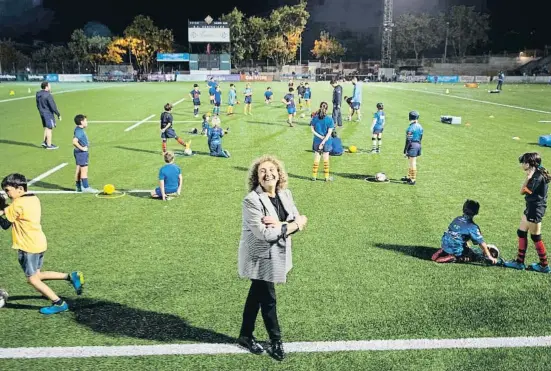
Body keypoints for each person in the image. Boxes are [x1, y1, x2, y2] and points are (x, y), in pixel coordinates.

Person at [237, 155, 308, 361]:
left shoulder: (286, 195)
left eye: (271, 170)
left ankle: (245, 335)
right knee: (268, 299)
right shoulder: (252, 200)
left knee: (255, 297)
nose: (268, 173)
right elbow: (266, 234)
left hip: (275, 255)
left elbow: (292, 221)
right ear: (257, 178)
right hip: (258, 258)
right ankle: (276, 341)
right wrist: (294, 223)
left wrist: (280, 224)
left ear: (279, 174)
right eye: (262, 171)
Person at [0, 173, 84, 315]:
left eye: (8, 190)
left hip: (27, 246)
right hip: (39, 242)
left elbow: (5, 224)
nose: (6, 194)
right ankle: (71, 276)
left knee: (32, 279)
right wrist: (4, 209)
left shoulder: (17, 204)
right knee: (37, 275)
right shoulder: (32, 198)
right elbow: (15, 211)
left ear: (19, 188)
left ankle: (58, 303)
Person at [504, 153, 551, 273]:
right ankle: (519, 262)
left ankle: (544, 265)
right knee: (521, 232)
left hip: (535, 209)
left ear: (529, 164)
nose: (522, 165)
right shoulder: (539, 171)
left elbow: (522, 191)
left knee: (536, 237)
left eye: (523, 162)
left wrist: (528, 178)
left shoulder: (536, 177)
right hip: (531, 207)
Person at [432, 200, 498, 264]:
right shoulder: (473, 227)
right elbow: (481, 243)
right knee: (470, 256)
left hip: (444, 243)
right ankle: (454, 257)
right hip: (454, 247)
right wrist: (490, 257)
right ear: (476, 212)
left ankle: (443, 251)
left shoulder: (457, 218)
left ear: (463, 209)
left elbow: (458, 232)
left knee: (456, 239)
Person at [72, 114, 98, 193]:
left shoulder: (78, 129)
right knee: (84, 170)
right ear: (81, 122)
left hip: (79, 152)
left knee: (79, 169)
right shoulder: (79, 131)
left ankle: (79, 187)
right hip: (81, 153)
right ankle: (86, 187)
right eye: (85, 121)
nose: (87, 122)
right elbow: (74, 141)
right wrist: (82, 148)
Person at [310, 102, 335, 181]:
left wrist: (320, 137)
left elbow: (312, 130)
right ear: (327, 109)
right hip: (327, 142)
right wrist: (323, 141)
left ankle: (314, 176)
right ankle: (326, 177)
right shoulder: (330, 119)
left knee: (317, 158)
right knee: (326, 159)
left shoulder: (315, 118)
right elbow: (329, 133)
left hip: (317, 141)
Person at [36, 81, 61, 150]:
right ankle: (49, 145)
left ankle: (45, 142)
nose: (50, 87)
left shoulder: (38, 94)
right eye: (49, 86)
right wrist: (58, 114)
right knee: (50, 128)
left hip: (42, 112)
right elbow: (53, 106)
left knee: (47, 127)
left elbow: (38, 105)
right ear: (46, 87)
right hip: (48, 113)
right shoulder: (48, 95)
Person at [402, 111, 423, 185]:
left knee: (412, 163)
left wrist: (405, 150)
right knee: (411, 162)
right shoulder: (420, 126)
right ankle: (409, 177)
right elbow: (420, 137)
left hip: (412, 145)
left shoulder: (410, 128)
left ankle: (413, 180)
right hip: (418, 145)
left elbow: (408, 140)